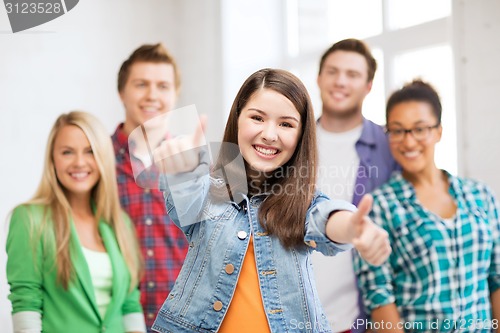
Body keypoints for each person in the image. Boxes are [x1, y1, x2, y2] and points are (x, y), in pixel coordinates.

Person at [150, 68, 391, 333]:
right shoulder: (209, 191)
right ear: (238, 119)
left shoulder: (303, 203)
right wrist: (183, 170)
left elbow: (327, 218)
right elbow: (188, 200)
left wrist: (353, 229)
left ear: (301, 137)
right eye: (257, 118)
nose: (269, 134)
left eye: (286, 124)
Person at [354, 80, 500, 332]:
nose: (408, 142)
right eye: (398, 131)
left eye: (419, 129)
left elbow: (497, 278)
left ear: (438, 131)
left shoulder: (480, 195)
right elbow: (379, 296)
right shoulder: (380, 207)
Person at [6, 111, 145, 333]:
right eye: (67, 152)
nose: (79, 162)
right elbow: (26, 302)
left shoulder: (121, 224)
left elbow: (130, 304)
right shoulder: (29, 219)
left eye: (90, 151)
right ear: (52, 158)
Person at [312, 38, 399, 333]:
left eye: (352, 75)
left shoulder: (390, 146)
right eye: (333, 71)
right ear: (319, 77)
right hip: (290, 313)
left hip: (357, 318)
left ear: (368, 86)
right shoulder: (291, 140)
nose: (340, 82)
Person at [112, 43, 189, 330]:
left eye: (162, 86)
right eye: (141, 84)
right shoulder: (93, 162)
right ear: (122, 92)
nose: (152, 95)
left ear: (174, 93)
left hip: (182, 321)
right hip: (112, 319)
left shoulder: (198, 161)